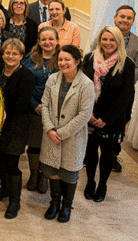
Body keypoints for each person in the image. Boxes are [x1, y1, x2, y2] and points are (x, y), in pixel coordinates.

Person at [40, 45, 94, 223]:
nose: (63, 63)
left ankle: (66, 206)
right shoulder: (52, 79)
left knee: (69, 173)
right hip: (51, 135)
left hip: (72, 137)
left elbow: (84, 115)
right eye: (60, 59)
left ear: (77, 61)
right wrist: (49, 128)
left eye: (67, 60)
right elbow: (45, 105)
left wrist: (61, 133)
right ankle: (54, 203)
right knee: (53, 170)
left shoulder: (86, 84)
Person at [82, 26, 135, 203]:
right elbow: (81, 87)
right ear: (99, 40)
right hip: (89, 115)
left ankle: (102, 185)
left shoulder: (127, 64)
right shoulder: (89, 59)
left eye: (112, 40)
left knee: (106, 154)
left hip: (111, 119)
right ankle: (90, 182)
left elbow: (126, 95)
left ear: (118, 41)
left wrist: (106, 119)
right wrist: (88, 114)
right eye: (104, 39)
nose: (108, 43)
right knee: (90, 153)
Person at [90, 5, 138, 172]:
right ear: (115, 18)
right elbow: (92, 58)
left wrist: (123, 82)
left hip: (123, 93)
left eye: (129, 18)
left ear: (133, 21)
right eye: (122, 16)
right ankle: (89, 154)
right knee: (94, 124)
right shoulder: (102, 36)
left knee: (117, 123)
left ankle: (112, 155)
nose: (125, 20)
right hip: (98, 90)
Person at [0, 39, 35, 219]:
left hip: (15, 125)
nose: (10, 56)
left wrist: (3, 112)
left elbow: (21, 104)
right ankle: (4, 189)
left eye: (15, 54)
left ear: (21, 56)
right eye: (7, 53)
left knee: (12, 164)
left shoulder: (26, 76)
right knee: (0, 159)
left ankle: (15, 201)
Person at [21, 27, 60, 194]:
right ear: (38, 41)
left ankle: (44, 176)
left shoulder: (63, 59)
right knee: (35, 145)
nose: (47, 42)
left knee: (49, 146)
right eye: (43, 39)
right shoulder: (30, 59)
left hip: (55, 111)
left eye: (51, 39)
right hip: (34, 109)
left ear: (57, 41)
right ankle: (33, 174)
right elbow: (23, 83)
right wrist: (34, 104)